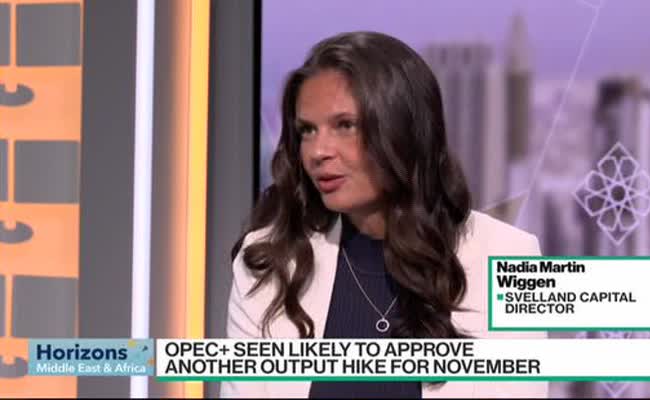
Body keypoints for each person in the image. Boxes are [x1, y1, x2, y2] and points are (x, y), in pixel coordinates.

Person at [221, 31, 547, 399]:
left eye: (345, 125)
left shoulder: (507, 255)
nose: (317, 151)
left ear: (403, 132)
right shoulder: (269, 262)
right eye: (307, 130)